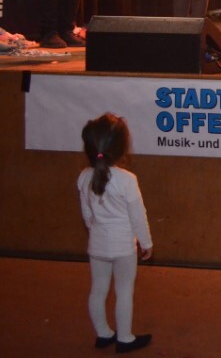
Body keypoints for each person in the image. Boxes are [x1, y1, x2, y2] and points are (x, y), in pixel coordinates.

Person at [78, 113, 153, 353]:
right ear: (121, 147)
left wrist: (95, 230)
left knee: (98, 289)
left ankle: (103, 333)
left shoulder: (84, 176)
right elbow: (137, 216)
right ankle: (124, 338)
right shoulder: (127, 179)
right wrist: (146, 242)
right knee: (124, 291)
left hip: (98, 244)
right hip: (123, 247)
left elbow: (87, 214)